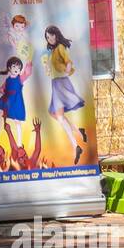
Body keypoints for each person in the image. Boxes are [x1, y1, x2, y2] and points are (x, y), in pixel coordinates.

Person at [44, 25, 89, 164]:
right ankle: (79, 132)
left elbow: (68, 62)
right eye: (47, 37)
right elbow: (53, 68)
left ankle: (75, 145)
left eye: (51, 35)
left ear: (56, 35)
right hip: (56, 83)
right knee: (56, 114)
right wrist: (48, 68)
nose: (50, 39)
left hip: (61, 83)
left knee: (58, 115)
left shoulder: (60, 48)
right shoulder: (52, 52)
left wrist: (67, 71)